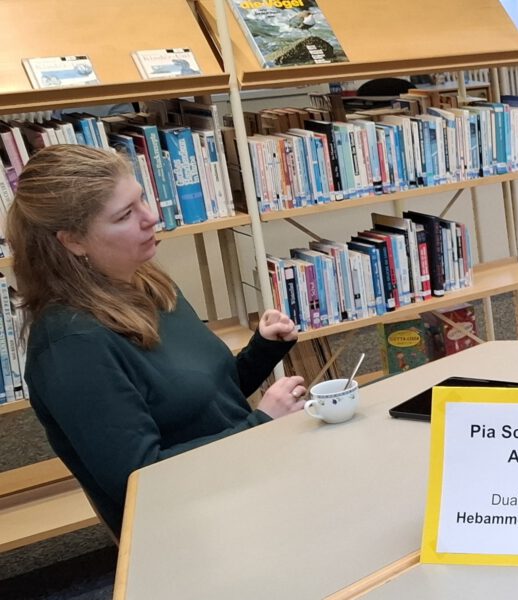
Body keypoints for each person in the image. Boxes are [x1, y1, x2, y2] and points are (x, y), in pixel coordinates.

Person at [6, 144, 307, 539]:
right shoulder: (71, 345)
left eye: (141, 200)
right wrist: (260, 425)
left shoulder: (148, 283)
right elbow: (140, 478)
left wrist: (262, 350)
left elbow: (202, 401)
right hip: (189, 531)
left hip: (243, 485)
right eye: (125, 215)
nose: (152, 217)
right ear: (73, 241)